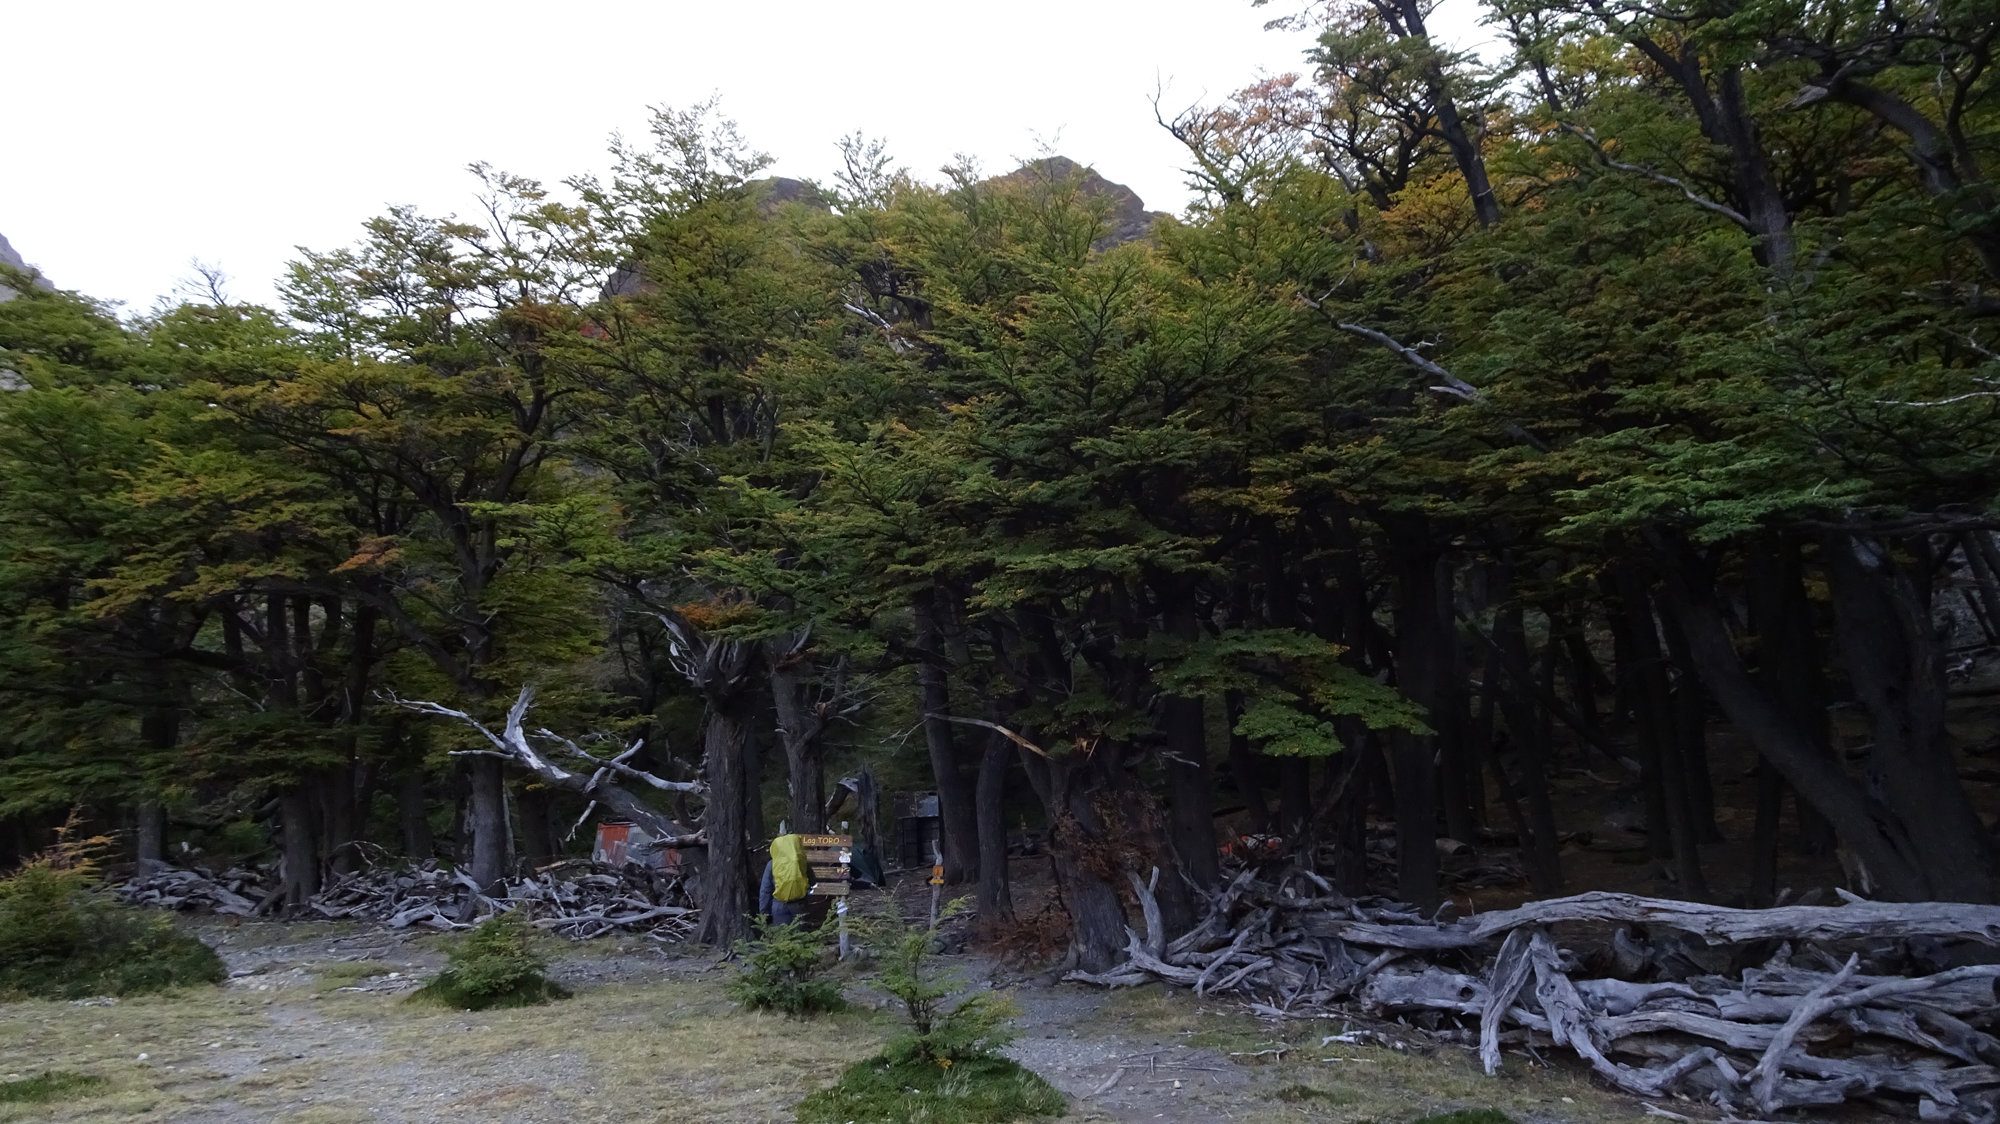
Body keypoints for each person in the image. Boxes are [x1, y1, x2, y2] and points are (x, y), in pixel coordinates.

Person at [758, 832, 810, 926]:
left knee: (781, 933)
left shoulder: (772, 864)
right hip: (799, 905)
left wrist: (764, 913)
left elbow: (765, 890)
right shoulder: (801, 861)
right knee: (800, 933)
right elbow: (812, 881)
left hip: (779, 905)